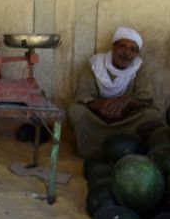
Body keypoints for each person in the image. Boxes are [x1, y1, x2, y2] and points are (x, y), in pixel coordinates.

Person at [67, 26, 164, 159]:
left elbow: (145, 99)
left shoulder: (140, 68)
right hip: (98, 117)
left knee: (154, 115)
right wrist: (103, 106)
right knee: (75, 111)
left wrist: (126, 101)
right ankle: (95, 151)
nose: (126, 52)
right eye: (122, 46)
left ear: (136, 54)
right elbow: (84, 94)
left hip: (126, 118)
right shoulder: (96, 64)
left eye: (132, 49)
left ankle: (125, 147)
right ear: (113, 47)